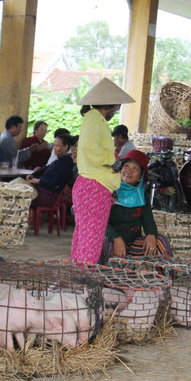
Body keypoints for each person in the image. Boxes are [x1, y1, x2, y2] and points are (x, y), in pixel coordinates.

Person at [71, 78, 135, 263]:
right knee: (91, 238)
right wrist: (112, 161)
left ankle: (76, 278)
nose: (117, 111)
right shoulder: (93, 118)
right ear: (112, 105)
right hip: (93, 186)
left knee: (85, 236)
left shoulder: (95, 119)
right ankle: (83, 280)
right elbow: (90, 149)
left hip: (93, 185)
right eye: (117, 107)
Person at [101, 150, 171, 263]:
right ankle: (108, 277)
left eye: (135, 168)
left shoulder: (142, 196)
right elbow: (101, 222)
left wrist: (151, 235)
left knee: (161, 242)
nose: (129, 171)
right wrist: (116, 238)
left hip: (134, 242)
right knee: (105, 243)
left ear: (140, 177)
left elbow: (148, 221)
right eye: (126, 166)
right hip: (113, 239)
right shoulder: (109, 191)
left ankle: (161, 278)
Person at [27, 133, 76, 208]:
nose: (54, 148)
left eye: (57, 146)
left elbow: (55, 184)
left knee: (22, 197)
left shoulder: (67, 163)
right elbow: (46, 168)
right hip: (42, 192)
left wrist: (37, 181)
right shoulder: (59, 160)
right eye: (54, 146)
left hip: (50, 196)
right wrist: (33, 175)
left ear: (65, 147)